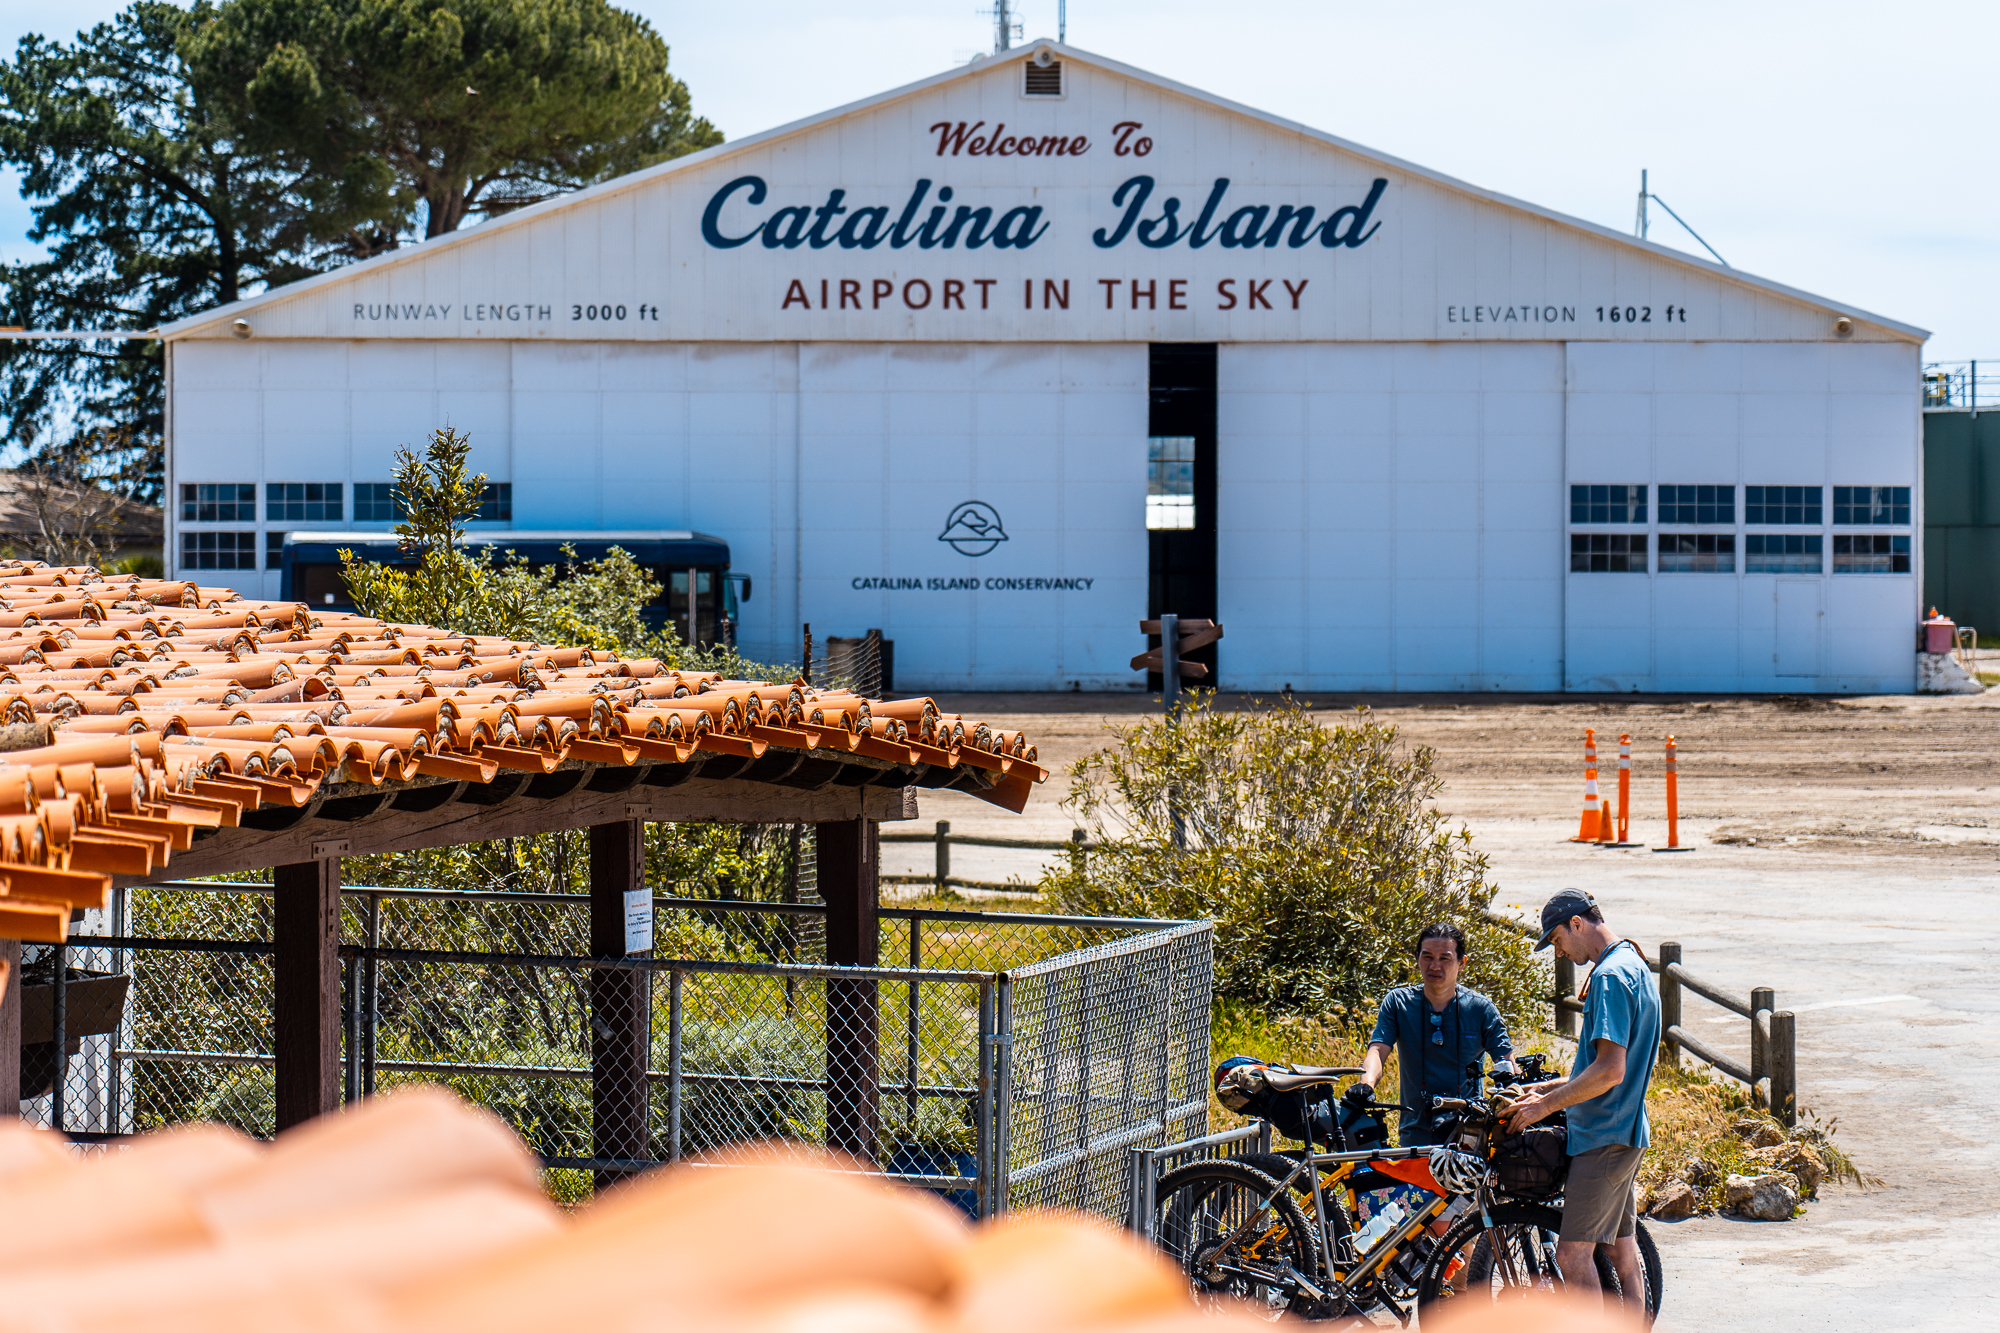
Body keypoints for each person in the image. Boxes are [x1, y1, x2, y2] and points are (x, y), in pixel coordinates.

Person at [1502, 889, 1660, 1317]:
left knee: (1572, 1256)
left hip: (1603, 1135)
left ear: (1577, 923)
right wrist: (1545, 1089)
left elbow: (1610, 1071)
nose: (1558, 951)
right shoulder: (1634, 964)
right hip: (1627, 1130)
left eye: (1556, 939)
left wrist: (1544, 1107)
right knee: (1622, 1251)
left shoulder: (1608, 977)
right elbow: (1607, 1066)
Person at [1346, 922, 1515, 1147]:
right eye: (1427, 957)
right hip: (1414, 1134)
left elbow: (1507, 1063)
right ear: (1417, 958)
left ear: (1462, 963)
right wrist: (1366, 1085)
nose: (1435, 966)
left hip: (1468, 1136)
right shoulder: (1399, 1003)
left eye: (1445, 958)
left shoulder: (1481, 1009)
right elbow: (1377, 1050)